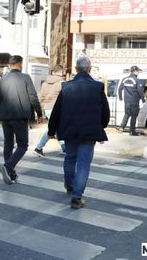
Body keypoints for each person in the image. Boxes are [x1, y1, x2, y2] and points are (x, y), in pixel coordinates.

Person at [48, 56, 109, 209]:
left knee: (70, 158)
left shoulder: (66, 87)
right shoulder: (98, 87)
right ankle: (77, 197)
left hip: (69, 129)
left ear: (75, 69)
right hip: (90, 131)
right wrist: (102, 125)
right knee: (83, 164)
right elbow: (105, 111)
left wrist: (51, 130)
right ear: (89, 69)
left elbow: (56, 111)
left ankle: (69, 185)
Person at [0, 55, 43, 185]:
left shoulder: (3, 80)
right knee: (23, 145)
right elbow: (33, 97)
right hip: (20, 117)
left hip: (6, 117)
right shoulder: (25, 78)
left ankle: (11, 174)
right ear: (20, 65)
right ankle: (8, 167)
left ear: (9, 65)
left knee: (8, 143)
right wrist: (39, 113)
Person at [34, 64, 66, 156]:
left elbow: (40, 96)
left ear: (53, 72)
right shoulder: (62, 83)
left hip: (47, 108)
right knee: (54, 128)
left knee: (54, 128)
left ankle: (64, 148)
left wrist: (38, 110)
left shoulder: (44, 83)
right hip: (57, 108)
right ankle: (39, 148)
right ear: (61, 72)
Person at [118, 65, 145, 136]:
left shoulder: (124, 79)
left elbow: (120, 89)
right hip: (134, 101)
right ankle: (132, 131)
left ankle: (121, 127)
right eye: (138, 71)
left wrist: (120, 98)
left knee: (127, 114)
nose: (138, 72)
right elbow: (140, 91)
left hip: (127, 101)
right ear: (135, 71)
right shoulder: (136, 80)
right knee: (133, 116)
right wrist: (143, 100)